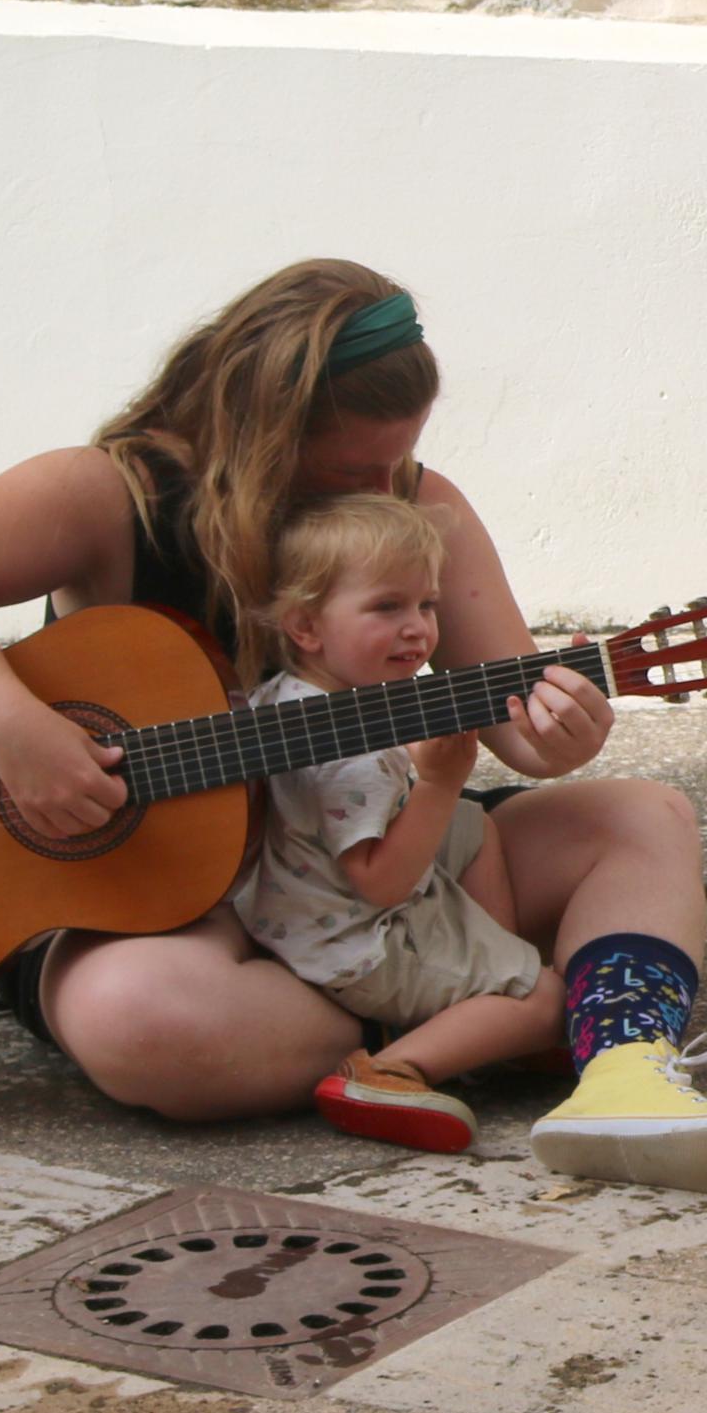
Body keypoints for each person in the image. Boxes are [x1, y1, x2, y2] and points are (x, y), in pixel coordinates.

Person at [0, 259, 707, 1195]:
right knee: (131, 1015)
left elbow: (513, 728)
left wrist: (562, 733)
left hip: (367, 871)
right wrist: (11, 727)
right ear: (260, 427)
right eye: (353, 466)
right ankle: (474, 1027)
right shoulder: (116, 493)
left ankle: (619, 1071)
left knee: (646, 818)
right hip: (159, 911)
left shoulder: (419, 503)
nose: (384, 484)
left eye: (398, 457)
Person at [232, 493, 563, 1157]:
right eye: (387, 606)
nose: (417, 628)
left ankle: (479, 995)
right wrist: (437, 782)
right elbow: (379, 884)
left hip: (298, 899)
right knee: (552, 999)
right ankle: (391, 1071)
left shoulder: (293, 693)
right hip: (355, 938)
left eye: (427, 604)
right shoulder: (350, 756)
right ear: (305, 625)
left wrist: (445, 800)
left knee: (473, 825)